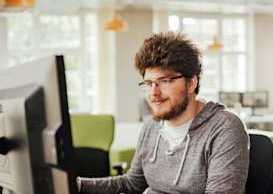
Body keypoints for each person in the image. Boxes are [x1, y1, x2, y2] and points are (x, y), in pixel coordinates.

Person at [77, 32, 249, 194]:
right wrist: (75, 185)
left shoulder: (224, 128)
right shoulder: (151, 127)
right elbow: (132, 183)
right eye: (148, 83)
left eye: (164, 81)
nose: (153, 93)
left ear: (191, 83)